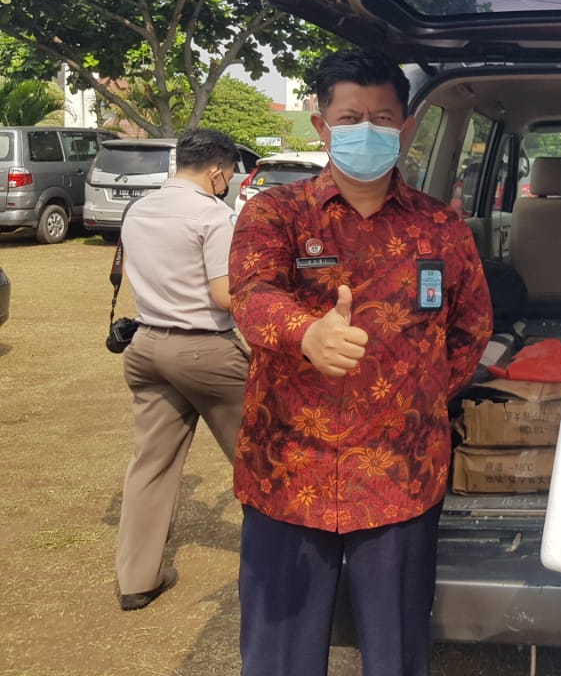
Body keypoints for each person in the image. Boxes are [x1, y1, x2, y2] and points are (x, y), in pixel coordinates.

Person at [228, 49, 493, 676]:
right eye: (350, 118)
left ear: (405, 127)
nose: (366, 130)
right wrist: (306, 334)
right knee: (278, 657)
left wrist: (415, 395)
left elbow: (471, 327)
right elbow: (252, 294)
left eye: (382, 118)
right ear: (322, 126)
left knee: (396, 652)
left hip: (401, 473)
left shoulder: (440, 226)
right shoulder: (276, 212)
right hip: (289, 470)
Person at [115, 128, 247, 611]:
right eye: (228, 175)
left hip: (147, 345)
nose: (227, 183)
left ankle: (137, 579)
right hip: (204, 350)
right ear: (216, 171)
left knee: (151, 465)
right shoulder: (213, 216)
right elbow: (224, 296)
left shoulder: (139, 209)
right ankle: (285, 562)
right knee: (261, 456)